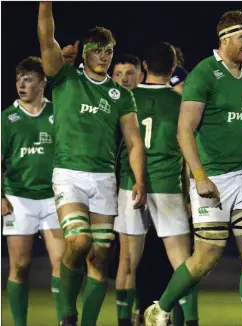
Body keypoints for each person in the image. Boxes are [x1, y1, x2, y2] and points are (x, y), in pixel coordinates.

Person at [145, 10, 242, 326]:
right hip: (211, 179)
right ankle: (161, 308)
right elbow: (184, 130)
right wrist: (199, 176)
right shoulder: (203, 73)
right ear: (225, 37)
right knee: (206, 258)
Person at [37, 2, 146, 325]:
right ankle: (67, 313)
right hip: (69, 174)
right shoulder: (64, 77)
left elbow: (134, 141)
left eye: (109, 50)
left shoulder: (121, 95)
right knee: (79, 242)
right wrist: (45, 4)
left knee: (100, 257)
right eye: (98, 50)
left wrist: (139, 180)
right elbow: (46, 38)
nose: (104, 55)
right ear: (84, 53)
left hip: (103, 179)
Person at [113, 41, 198, 326]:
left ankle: (125, 319)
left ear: (144, 67)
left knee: (127, 262)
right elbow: (188, 151)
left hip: (130, 186)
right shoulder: (180, 102)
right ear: (174, 68)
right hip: (167, 186)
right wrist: (189, 195)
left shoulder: (126, 97)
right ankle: (189, 321)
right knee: (183, 264)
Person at [1, 56, 65, 326]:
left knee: (62, 263)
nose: (21, 84)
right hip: (18, 198)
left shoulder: (57, 113)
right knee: (21, 266)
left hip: (53, 198)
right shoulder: (7, 118)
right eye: (18, 79)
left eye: (28, 79)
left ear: (43, 83)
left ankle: (66, 320)